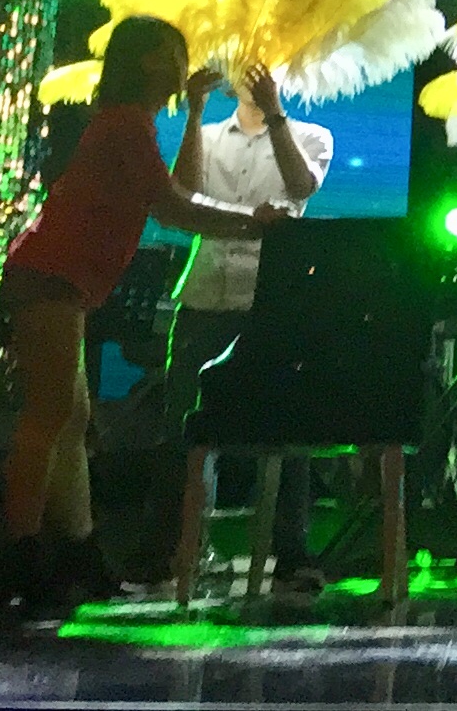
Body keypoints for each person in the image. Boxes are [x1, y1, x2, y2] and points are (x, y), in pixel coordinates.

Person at [0, 17, 292, 628]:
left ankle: (76, 556)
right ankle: (19, 558)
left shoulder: (132, 124)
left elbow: (177, 192)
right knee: (50, 417)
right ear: (150, 61)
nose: (185, 64)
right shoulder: (126, 124)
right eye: (175, 53)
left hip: (61, 283)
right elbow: (175, 208)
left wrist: (195, 112)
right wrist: (252, 224)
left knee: (70, 420)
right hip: (50, 278)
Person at [149, 65, 331, 595]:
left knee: (286, 425)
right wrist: (194, 112)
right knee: (183, 423)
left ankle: (291, 552)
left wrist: (275, 115)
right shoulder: (206, 136)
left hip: (271, 298)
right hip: (205, 293)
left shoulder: (311, 136)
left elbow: (301, 186)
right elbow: (183, 191)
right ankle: (177, 550)